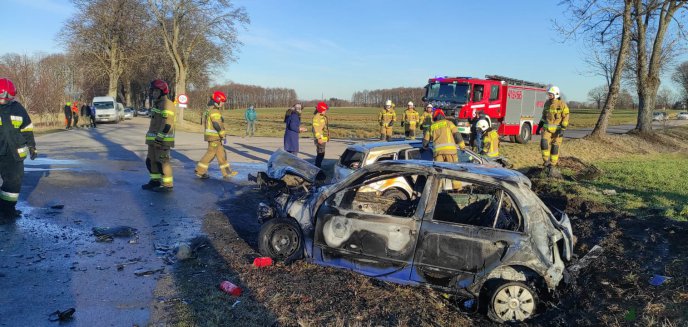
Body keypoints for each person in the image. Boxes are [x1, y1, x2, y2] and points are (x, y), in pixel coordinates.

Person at [0, 78, 37, 219]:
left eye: (7, 96)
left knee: (14, 183)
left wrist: (32, 146)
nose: (3, 99)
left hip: (14, 155)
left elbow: (27, 128)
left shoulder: (18, 108)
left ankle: (7, 211)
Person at [142, 79, 177, 192]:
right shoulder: (157, 104)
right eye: (153, 91)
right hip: (153, 141)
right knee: (151, 161)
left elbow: (167, 124)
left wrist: (159, 138)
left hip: (161, 141)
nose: (153, 94)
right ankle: (155, 181)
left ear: (162, 91)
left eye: (156, 91)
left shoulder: (168, 104)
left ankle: (168, 185)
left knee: (163, 162)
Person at [194, 91, 237, 180]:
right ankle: (199, 171)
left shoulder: (209, 109)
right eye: (222, 102)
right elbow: (216, 124)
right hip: (215, 137)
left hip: (214, 137)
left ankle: (227, 172)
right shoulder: (215, 111)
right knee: (210, 154)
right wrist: (222, 134)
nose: (223, 104)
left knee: (221, 154)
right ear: (217, 101)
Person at [536, 86, 569, 168]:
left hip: (558, 131)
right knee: (543, 142)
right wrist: (539, 127)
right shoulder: (547, 103)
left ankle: (553, 164)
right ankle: (545, 160)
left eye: (551, 94)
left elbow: (566, 117)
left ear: (556, 94)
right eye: (549, 94)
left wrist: (563, 129)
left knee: (555, 147)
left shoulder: (562, 104)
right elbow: (544, 116)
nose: (549, 96)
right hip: (547, 129)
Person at [312, 101, 329, 167]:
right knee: (320, 154)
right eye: (325, 109)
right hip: (320, 139)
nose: (326, 111)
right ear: (321, 109)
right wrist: (319, 138)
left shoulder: (322, 116)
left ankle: (318, 167)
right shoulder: (317, 117)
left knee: (321, 153)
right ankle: (317, 168)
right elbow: (316, 129)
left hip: (322, 138)